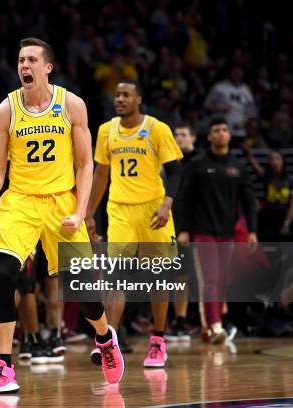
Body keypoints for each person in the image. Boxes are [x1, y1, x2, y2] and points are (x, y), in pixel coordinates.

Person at [0, 37, 124, 395]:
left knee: (82, 292)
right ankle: (4, 367)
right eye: (21, 60)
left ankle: (104, 338)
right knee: (6, 273)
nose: (24, 66)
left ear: (47, 67)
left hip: (60, 202)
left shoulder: (71, 104)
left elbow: (86, 165)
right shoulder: (5, 110)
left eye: (31, 60)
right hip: (19, 202)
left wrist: (80, 210)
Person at [86, 80, 183, 369]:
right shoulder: (106, 130)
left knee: (158, 279)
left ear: (139, 99)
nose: (120, 99)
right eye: (117, 95)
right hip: (120, 212)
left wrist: (167, 204)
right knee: (115, 279)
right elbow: (101, 174)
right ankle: (108, 344)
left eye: (126, 95)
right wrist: (89, 214)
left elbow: (177, 172)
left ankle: (158, 340)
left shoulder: (157, 129)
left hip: (154, 212)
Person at [177, 117, 258, 343]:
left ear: (229, 135)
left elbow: (249, 201)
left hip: (228, 233)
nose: (221, 133)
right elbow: (184, 199)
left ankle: (208, 328)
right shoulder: (198, 165)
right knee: (210, 279)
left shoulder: (238, 167)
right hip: (203, 232)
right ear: (210, 136)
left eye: (225, 129)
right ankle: (215, 325)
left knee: (222, 280)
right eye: (216, 130)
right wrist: (183, 229)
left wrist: (252, 231)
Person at [166, 124, 202, 342]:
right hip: (168, 224)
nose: (178, 138)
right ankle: (177, 320)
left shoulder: (198, 163)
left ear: (193, 137)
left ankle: (206, 321)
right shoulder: (168, 161)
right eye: (176, 135)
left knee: (191, 276)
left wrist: (186, 228)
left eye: (183, 134)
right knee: (174, 275)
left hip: (193, 227)